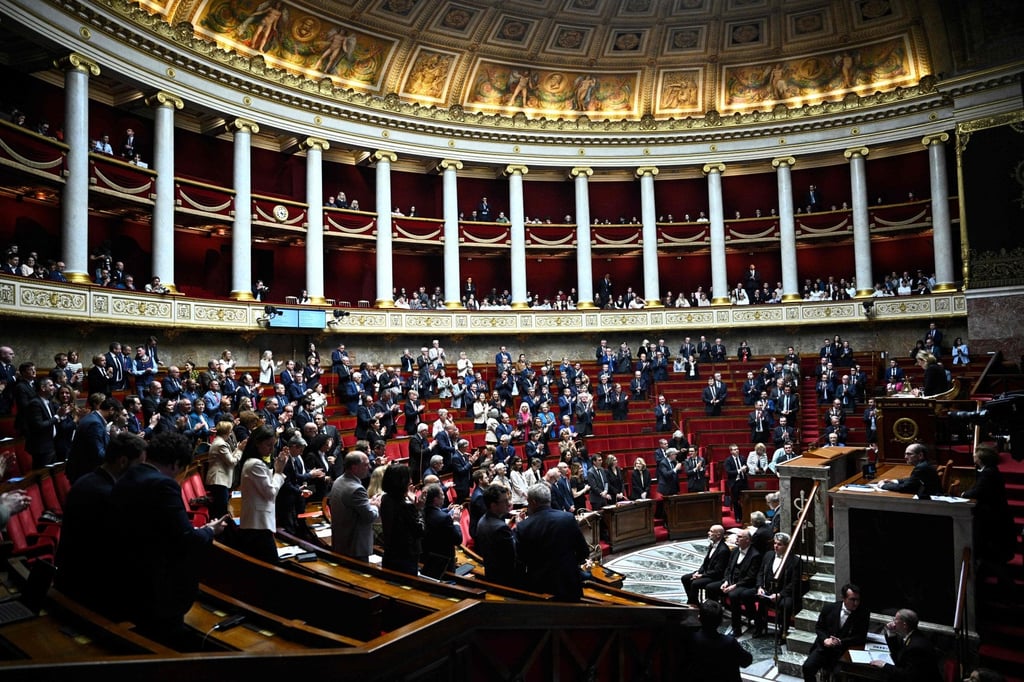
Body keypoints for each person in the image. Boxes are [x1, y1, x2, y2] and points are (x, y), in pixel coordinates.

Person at [109, 432, 230, 647]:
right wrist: (210, 531)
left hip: (127, 577)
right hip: (158, 586)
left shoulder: (128, 475)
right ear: (175, 464)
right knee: (166, 639)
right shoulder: (163, 485)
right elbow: (185, 539)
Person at [55, 432, 147, 610]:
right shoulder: (108, 494)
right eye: (139, 465)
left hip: (69, 577)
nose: (140, 472)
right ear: (123, 461)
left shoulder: (86, 480)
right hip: (87, 589)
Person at [514, 483, 590, 601]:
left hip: (541, 586)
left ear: (533, 502)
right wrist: (570, 563)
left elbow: (521, 560)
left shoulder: (523, 526)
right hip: (568, 581)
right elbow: (583, 551)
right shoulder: (568, 518)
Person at [237, 425, 288, 563]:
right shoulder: (255, 464)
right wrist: (278, 472)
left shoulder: (255, 462)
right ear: (257, 443)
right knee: (271, 567)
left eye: (273, 445)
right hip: (257, 525)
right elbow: (270, 493)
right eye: (268, 445)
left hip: (258, 523)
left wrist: (277, 469)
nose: (271, 449)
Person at [961, 446, 1017, 567]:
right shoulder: (989, 470)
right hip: (995, 512)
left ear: (981, 459)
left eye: (976, 454)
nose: (974, 456)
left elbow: (978, 492)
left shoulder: (988, 473)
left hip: (993, 516)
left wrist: (963, 494)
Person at [802, 583, 870, 682]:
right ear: (843, 598)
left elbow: (860, 636)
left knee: (839, 675)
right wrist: (825, 639)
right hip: (824, 648)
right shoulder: (829, 608)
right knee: (807, 667)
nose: (856, 603)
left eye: (858, 600)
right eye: (852, 599)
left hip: (843, 652)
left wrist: (840, 642)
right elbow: (819, 627)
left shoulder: (863, 613)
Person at [681, 599, 753, 682]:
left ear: (699, 618)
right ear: (720, 621)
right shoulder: (729, 642)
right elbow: (746, 661)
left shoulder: (692, 639)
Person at [329, 450, 381, 562]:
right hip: (355, 546)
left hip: (341, 541)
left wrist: (368, 502)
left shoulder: (339, 480)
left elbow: (351, 505)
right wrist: (376, 505)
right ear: (354, 467)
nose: (369, 467)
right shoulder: (356, 489)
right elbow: (370, 516)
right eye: (366, 465)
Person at [870, 609, 941, 682]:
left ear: (904, 625)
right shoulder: (913, 635)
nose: (893, 622)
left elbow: (908, 676)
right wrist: (891, 632)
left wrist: (884, 665)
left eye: (895, 620)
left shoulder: (917, 647)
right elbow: (898, 655)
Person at [754, 532, 802, 637]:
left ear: (787, 546)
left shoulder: (795, 560)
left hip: (784, 594)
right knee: (757, 597)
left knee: (786, 605)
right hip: (768, 591)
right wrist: (760, 587)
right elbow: (760, 573)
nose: (776, 546)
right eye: (775, 543)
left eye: (779, 544)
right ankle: (759, 627)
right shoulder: (768, 555)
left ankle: (783, 632)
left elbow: (794, 582)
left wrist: (780, 594)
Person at [379, 464, 424, 575]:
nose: (411, 481)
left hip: (390, 552)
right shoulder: (406, 506)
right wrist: (418, 509)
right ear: (402, 481)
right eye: (408, 478)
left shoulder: (385, 499)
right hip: (406, 556)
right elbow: (420, 530)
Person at [717, 529, 762, 635]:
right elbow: (728, 569)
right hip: (732, 581)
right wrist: (726, 581)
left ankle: (736, 628)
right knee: (713, 587)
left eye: (740, 537)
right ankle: (715, 618)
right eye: (737, 536)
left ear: (747, 540)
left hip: (746, 584)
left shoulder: (755, 555)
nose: (737, 539)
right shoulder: (735, 551)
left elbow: (751, 577)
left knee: (733, 595)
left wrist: (734, 586)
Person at [474, 484, 518, 586]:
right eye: (505, 501)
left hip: (491, 573)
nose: (509, 503)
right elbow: (513, 553)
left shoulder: (482, 520)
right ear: (493, 505)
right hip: (505, 579)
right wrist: (518, 528)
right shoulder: (501, 528)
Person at [681, 524, 729, 604]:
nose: (708, 533)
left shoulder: (723, 550)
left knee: (695, 583)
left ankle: (693, 604)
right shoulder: (712, 545)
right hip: (707, 572)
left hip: (715, 576)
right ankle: (692, 600)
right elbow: (705, 563)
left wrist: (702, 575)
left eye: (711, 531)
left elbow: (718, 571)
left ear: (718, 535)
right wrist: (698, 572)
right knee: (685, 578)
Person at [421, 483, 462, 573]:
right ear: (435, 499)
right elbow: (458, 540)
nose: (444, 497)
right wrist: (456, 521)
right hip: (443, 563)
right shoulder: (444, 518)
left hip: (426, 558)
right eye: (442, 495)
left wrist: (446, 510)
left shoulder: (421, 511)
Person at [205, 421, 242, 520]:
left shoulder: (219, 442)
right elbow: (232, 462)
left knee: (220, 509)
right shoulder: (221, 444)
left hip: (219, 481)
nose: (230, 433)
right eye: (230, 431)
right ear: (226, 432)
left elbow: (229, 458)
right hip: (218, 481)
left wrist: (237, 449)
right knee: (221, 510)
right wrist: (240, 450)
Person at [724, 443, 748, 521]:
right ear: (731, 451)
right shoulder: (728, 460)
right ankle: (738, 516)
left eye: (737, 449)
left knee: (746, 499)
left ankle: (745, 515)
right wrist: (739, 470)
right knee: (736, 500)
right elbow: (729, 472)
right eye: (734, 449)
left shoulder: (742, 458)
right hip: (734, 483)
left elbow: (747, 468)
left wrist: (745, 469)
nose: (737, 451)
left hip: (743, 481)